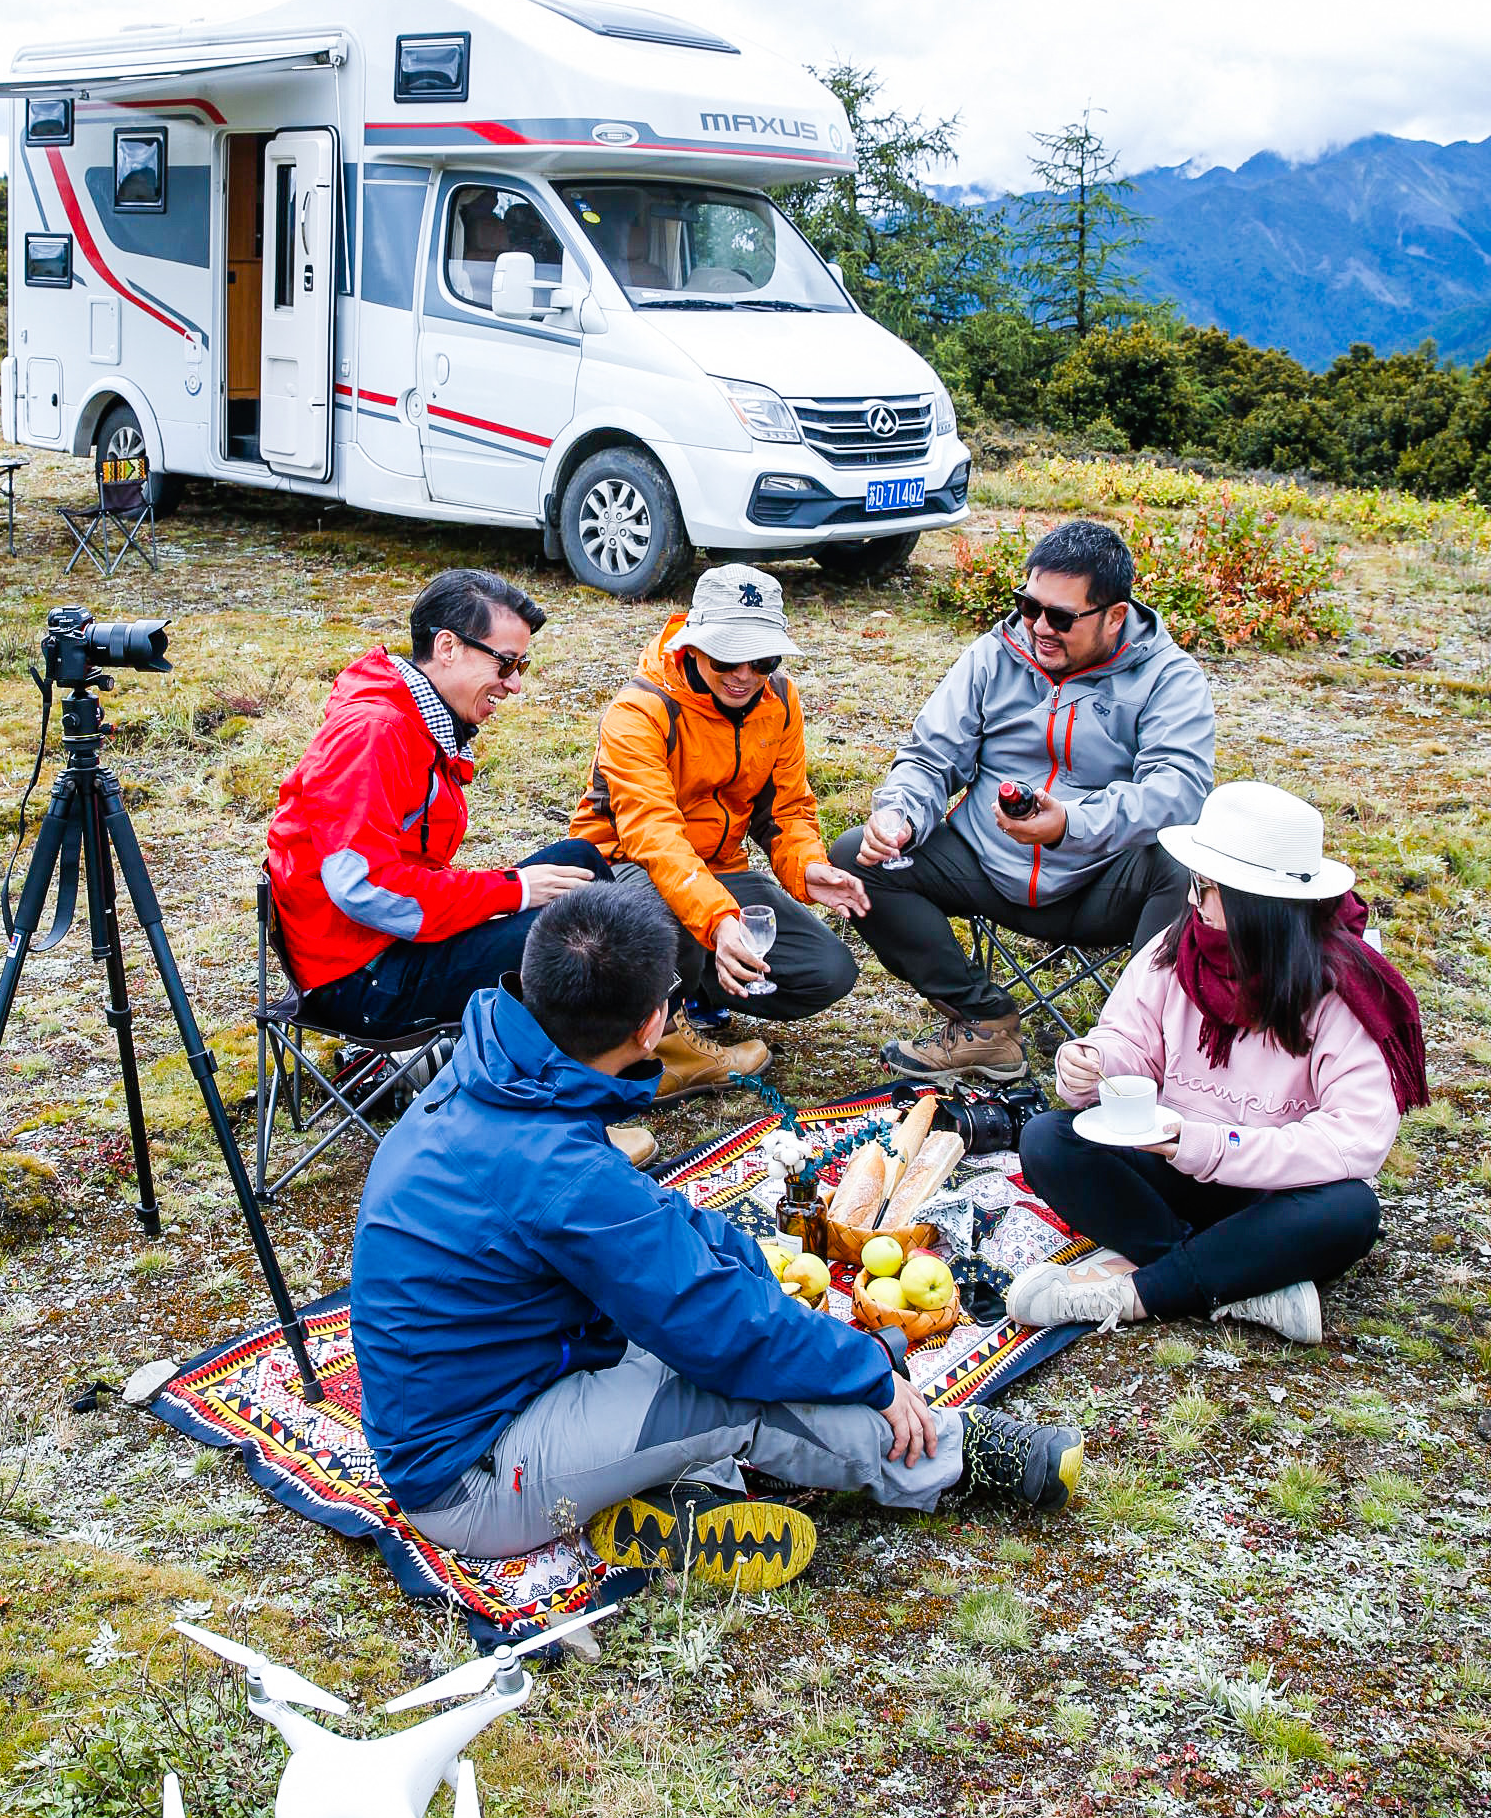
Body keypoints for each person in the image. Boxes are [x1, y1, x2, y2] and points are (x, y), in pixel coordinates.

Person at [349, 881, 1087, 1593]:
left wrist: (766, 1290)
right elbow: (719, 1329)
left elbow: (660, 1228)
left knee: (727, 1333)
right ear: (650, 1027)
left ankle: (662, 1500)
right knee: (732, 1384)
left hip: (518, 1378)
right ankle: (955, 1454)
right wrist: (862, 1369)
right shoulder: (557, 1171)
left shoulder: (504, 1068)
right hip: (473, 1474)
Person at [1007, 781, 1424, 1346]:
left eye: (1204, 887)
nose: (1189, 899)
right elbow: (1130, 1042)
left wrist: (1209, 1144)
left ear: (1258, 905)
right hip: (1175, 1167)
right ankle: (1241, 1281)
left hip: (1277, 1192)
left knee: (1350, 1210)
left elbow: (1353, 1142)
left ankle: (1137, 1294)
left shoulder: (1346, 987)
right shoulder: (1175, 949)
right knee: (1049, 1139)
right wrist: (1093, 1061)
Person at [829, 517, 1215, 1080]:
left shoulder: (1168, 678)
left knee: (1187, 870)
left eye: (1061, 617)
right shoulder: (995, 654)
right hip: (985, 863)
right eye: (1029, 606)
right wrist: (900, 814)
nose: (1039, 627)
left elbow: (1178, 793)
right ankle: (983, 1022)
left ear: (1114, 616)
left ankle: (1133, 1049)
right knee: (855, 859)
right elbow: (931, 756)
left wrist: (1071, 826)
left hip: (1099, 882)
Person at [267, 566, 611, 1042]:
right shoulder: (375, 733)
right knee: (583, 931)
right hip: (363, 979)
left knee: (582, 861)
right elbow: (363, 886)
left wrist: (506, 892)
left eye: (521, 667)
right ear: (448, 648)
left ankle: (644, 1029)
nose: (514, 685)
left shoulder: (414, 720)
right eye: (505, 664)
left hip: (386, 944)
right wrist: (513, 891)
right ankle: (621, 1051)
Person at [567, 564, 866, 1097]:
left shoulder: (780, 700)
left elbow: (787, 809)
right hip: (621, 870)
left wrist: (808, 866)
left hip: (719, 869)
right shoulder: (640, 711)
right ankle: (659, 1043)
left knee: (828, 971)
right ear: (693, 644)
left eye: (763, 659)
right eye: (727, 656)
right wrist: (720, 922)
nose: (744, 674)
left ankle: (688, 989)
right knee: (662, 915)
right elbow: (654, 837)